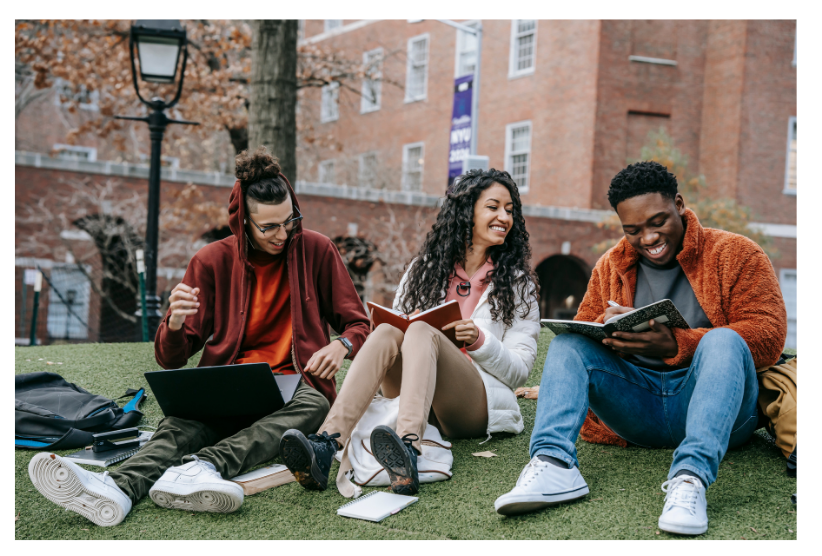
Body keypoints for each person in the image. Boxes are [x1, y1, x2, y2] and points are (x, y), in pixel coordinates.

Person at [27, 147, 371, 527]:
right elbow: (170, 359)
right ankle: (116, 489)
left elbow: (359, 324)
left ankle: (204, 467)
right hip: (229, 380)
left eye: (290, 220)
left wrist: (342, 344)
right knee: (181, 423)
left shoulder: (317, 251)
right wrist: (174, 323)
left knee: (316, 407)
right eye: (269, 226)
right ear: (243, 222)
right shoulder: (210, 261)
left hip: (295, 381)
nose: (283, 233)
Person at [494, 161, 787, 535]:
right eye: (632, 230)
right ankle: (553, 464)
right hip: (637, 410)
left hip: (719, 413)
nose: (647, 238)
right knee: (569, 343)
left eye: (657, 222)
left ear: (679, 204)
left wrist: (678, 344)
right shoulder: (611, 264)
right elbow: (585, 330)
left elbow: (769, 334)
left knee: (724, 339)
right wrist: (610, 333)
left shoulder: (736, 253)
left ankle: (689, 479)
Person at [279, 168, 540, 496]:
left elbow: (518, 371)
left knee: (421, 332)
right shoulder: (423, 270)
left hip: (472, 404)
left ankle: (407, 449)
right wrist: (406, 322)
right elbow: (397, 333)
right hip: (412, 393)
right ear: (466, 212)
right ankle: (326, 444)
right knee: (390, 330)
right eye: (493, 207)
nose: (504, 216)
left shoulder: (517, 284)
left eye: (509, 210)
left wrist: (479, 340)